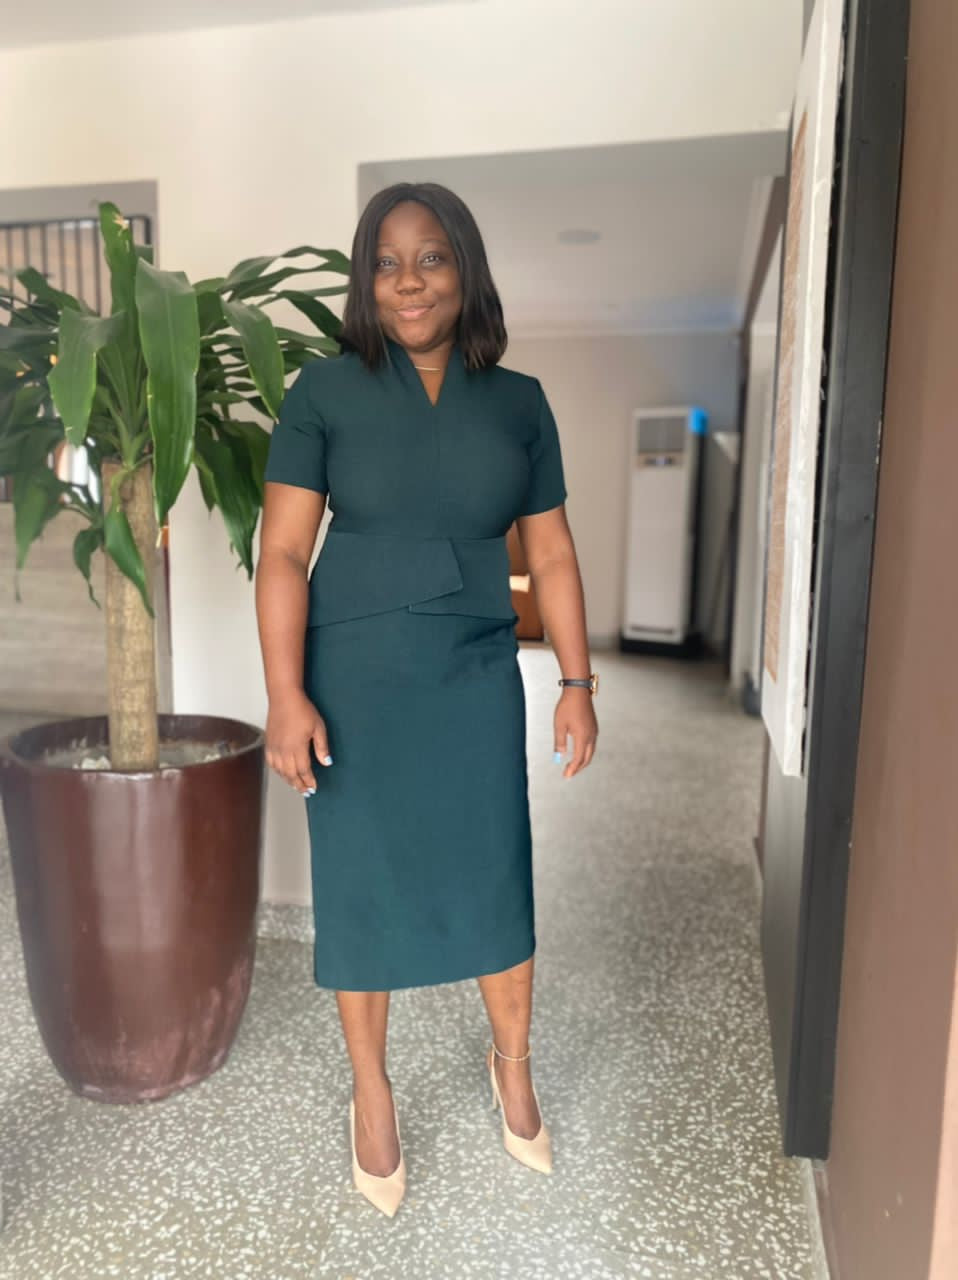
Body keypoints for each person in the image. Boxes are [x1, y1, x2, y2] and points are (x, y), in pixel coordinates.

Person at [255, 182, 598, 1217]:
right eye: (388, 260)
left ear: (466, 271)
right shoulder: (322, 389)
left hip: (473, 671)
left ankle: (512, 1063)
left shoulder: (519, 399)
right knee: (361, 883)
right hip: (350, 673)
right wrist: (283, 693)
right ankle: (371, 1090)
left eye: (432, 257)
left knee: (494, 869)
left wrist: (577, 681)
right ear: (366, 279)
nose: (409, 279)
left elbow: (551, 548)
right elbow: (279, 548)